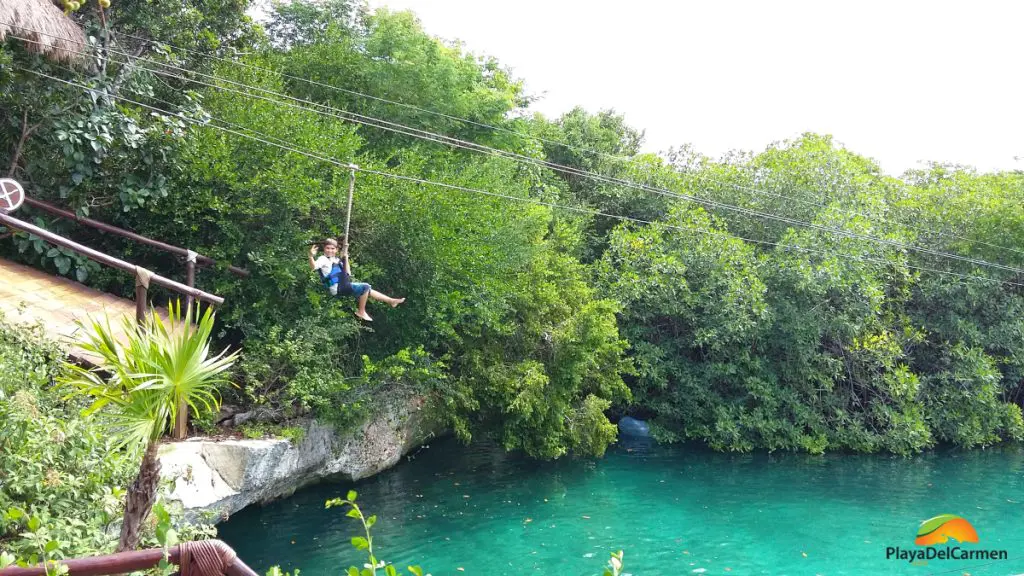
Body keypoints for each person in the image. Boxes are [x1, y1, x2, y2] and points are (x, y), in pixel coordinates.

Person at [309, 238, 404, 321]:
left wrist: (345, 258)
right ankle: (361, 311)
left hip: (342, 285)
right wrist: (310, 256)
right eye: (328, 248)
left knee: (368, 290)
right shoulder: (323, 259)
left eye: (332, 248)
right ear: (324, 249)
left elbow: (348, 273)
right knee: (365, 287)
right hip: (337, 287)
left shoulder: (337, 260)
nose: (330, 250)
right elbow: (313, 267)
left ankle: (391, 301)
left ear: (336, 250)